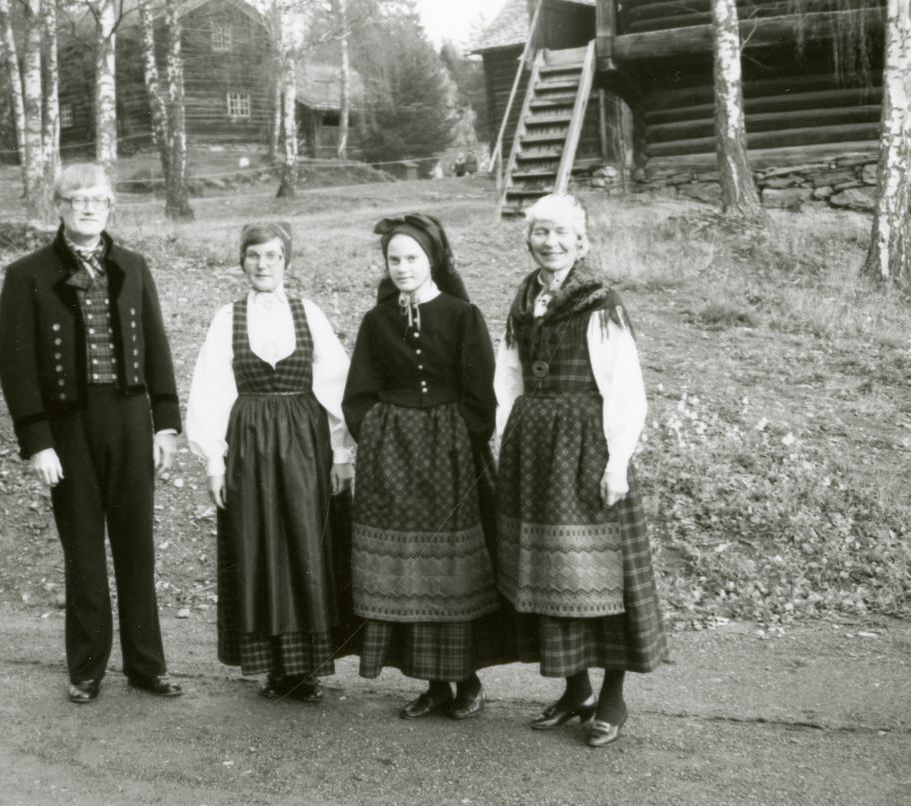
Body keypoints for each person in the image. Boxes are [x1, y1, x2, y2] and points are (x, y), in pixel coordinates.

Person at [0, 163, 185, 704]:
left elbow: (157, 347)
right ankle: (86, 668)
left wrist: (166, 424)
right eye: (77, 199)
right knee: (83, 549)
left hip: (129, 421)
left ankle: (147, 666)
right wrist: (37, 441)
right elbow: (17, 367)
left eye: (97, 199)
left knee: (137, 548)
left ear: (111, 206)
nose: (87, 208)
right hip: (68, 427)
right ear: (58, 205)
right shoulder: (26, 274)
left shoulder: (133, 266)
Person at [494, 193, 667, 747]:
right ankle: (575, 689)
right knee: (548, 570)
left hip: (586, 448)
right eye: (541, 232)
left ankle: (612, 698)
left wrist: (617, 464)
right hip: (533, 451)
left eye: (561, 233)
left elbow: (626, 390)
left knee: (597, 574)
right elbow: (508, 378)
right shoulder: (524, 300)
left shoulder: (600, 304)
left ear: (581, 241)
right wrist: (506, 436)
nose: (550, 242)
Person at [343, 213, 504, 720]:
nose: (402, 268)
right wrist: (378, 434)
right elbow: (358, 393)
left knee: (451, 571)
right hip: (392, 459)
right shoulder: (377, 320)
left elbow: (482, 396)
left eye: (412, 258)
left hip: (450, 458)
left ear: (432, 260)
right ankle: (434, 684)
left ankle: (468, 679)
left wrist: (458, 438)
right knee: (408, 571)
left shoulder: (461, 314)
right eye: (394, 259)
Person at [187, 222, 355, 703]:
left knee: (306, 542)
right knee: (259, 543)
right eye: (255, 256)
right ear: (242, 262)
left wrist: (340, 452)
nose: (264, 265)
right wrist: (214, 463)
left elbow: (337, 386)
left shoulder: (309, 313)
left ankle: (308, 669)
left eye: (273, 256)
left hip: (305, 440)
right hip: (250, 443)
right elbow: (211, 388)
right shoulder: (228, 318)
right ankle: (271, 667)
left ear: (287, 261)